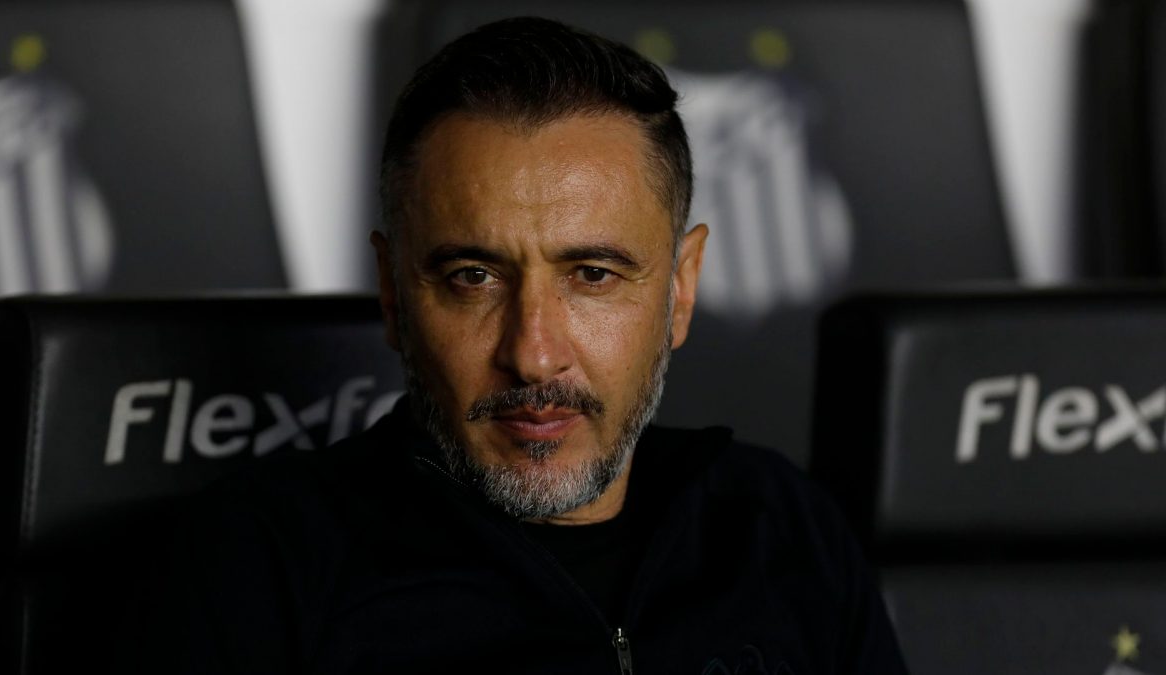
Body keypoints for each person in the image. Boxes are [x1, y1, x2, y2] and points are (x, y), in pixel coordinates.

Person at [154, 17, 907, 674]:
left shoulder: (785, 530)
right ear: (392, 292)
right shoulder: (259, 570)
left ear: (680, 290)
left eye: (593, 275)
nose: (534, 354)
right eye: (473, 277)